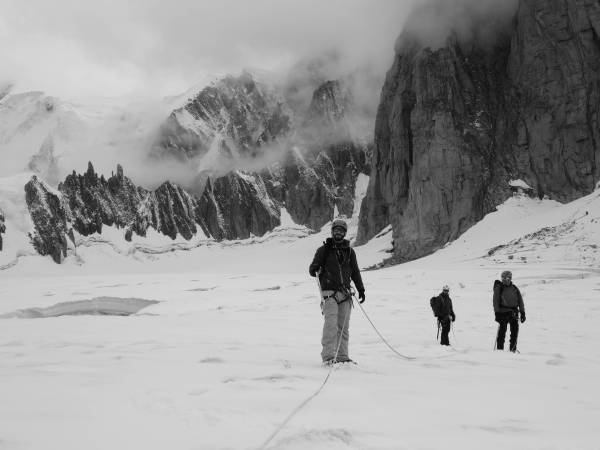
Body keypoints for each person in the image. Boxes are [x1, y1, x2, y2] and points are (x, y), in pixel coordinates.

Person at [309, 218, 365, 365]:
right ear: (332, 232)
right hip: (329, 293)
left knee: (343, 327)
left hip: (345, 293)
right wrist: (315, 269)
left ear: (344, 233)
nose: (338, 233)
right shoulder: (323, 250)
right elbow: (312, 269)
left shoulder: (350, 252)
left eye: (341, 230)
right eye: (336, 230)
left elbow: (355, 272)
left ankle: (342, 356)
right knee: (331, 325)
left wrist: (361, 289)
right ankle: (328, 357)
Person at [493, 270, 526, 352]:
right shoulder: (499, 288)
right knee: (502, 333)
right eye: (503, 277)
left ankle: (513, 349)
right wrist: (497, 313)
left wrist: (522, 312)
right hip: (503, 312)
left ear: (510, 278)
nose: (505, 279)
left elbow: (520, 301)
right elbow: (495, 301)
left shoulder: (514, 288)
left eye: (507, 278)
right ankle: (500, 350)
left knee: (514, 332)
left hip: (514, 313)